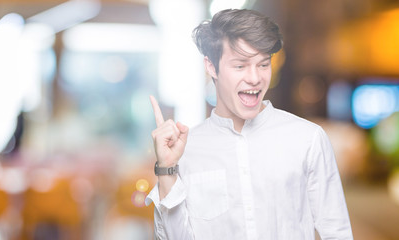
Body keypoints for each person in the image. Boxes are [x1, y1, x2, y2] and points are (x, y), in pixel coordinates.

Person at [145, 9, 353, 240]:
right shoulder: (186, 151)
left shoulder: (308, 139)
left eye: (263, 64)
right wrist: (166, 169)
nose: (255, 78)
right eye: (240, 65)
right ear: (212, 66)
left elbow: (337, 232)